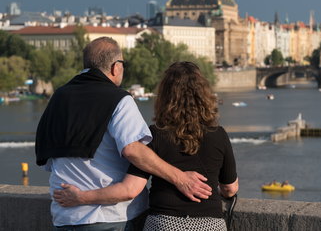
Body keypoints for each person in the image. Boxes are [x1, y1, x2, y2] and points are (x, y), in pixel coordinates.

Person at [36, 38, 212, 230]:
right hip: (111, 217)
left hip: (65, 216)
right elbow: (133, 150)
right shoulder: (118, 99)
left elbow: (50, 160)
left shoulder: (57, 99)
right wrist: (181, 178)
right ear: (115, 67)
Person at [54, 61, 239, 231]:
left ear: (165, 97)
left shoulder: (155, 135)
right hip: (209, 224)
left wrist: (81, 197)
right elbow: (230, 188)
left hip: (164, 223)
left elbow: (130, 189)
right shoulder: (218, 134)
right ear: (204, 95)